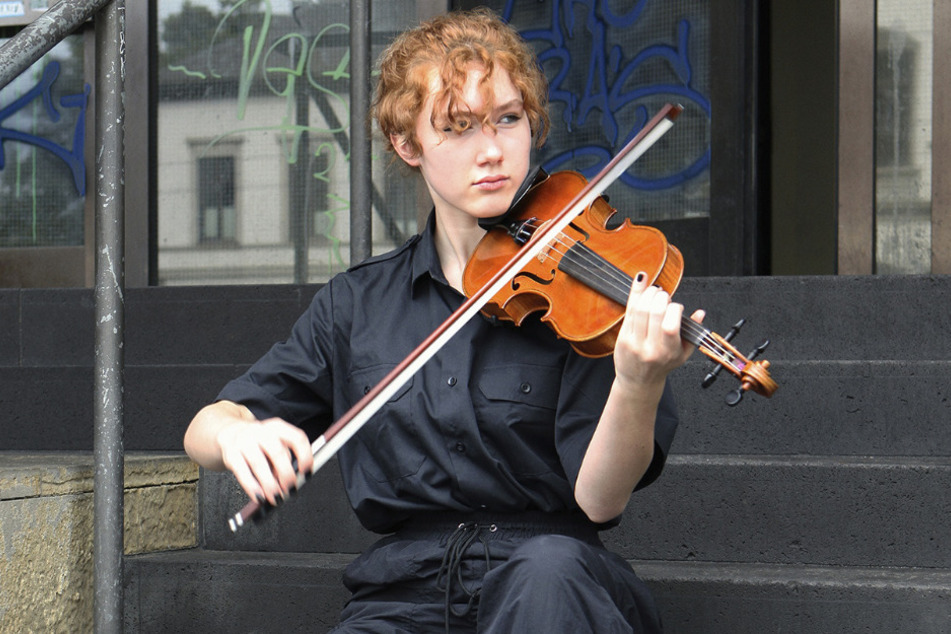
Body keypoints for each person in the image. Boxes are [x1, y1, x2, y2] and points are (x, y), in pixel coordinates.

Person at [184, 7, 702, 633]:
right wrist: (236, 436)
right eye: (457, 128)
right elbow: (209, 427)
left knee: (547, 575)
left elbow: (600, 500)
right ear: (408, 145)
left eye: (507, 120)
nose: (491, 150)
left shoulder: (584, 294)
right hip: (403, 595)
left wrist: (638, 383)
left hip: (555, 585)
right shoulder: (357, 304)